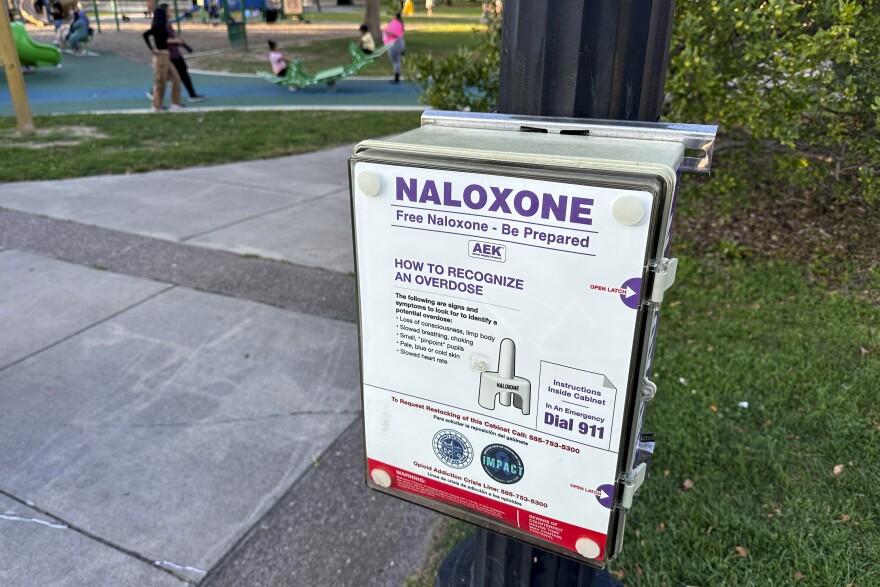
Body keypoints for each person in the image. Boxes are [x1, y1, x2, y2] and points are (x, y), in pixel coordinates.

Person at [143, 6, 185, 112]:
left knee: (176, 78)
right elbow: (146, 35)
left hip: (166, 55)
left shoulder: (163, 26)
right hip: (161, 55)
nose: (168, 13)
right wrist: (152, 48)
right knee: (160, 81)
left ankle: (175, 103)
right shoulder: (158, 27)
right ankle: (157, 105)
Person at [383, 12, 405, 84]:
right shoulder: (397, 23)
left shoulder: (397, 24)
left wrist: (388, 32)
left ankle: (396, 77)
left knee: (396, 61)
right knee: (396, 61)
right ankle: (396, 77)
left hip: (395, 43)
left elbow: (396, 35)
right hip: (396, 43)